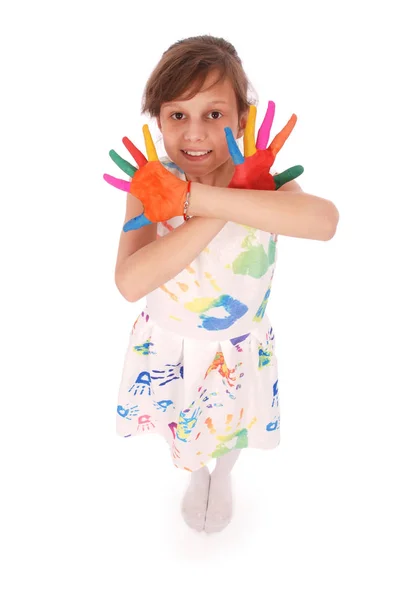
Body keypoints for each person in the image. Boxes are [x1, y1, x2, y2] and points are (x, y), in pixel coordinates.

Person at [110, 35, 339, 534]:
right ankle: (196, 476)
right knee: (183, 430)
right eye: (177, 115)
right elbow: (130, 282)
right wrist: (206, 203)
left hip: (237, 348)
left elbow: (324, 222)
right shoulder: (152, 184)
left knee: (231, 431)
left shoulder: (260, 178)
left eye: (214, 114)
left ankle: (226, 474)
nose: (195, 133)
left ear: (241, 119)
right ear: (159, 119)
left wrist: (199, 199)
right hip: (172, 345)